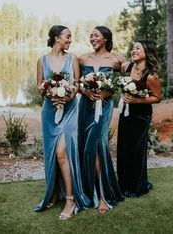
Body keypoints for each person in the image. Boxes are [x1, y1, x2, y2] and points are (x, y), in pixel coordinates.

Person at [34, 25, 90, 220]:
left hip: (70, 111)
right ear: (56, 38)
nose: (70, 40)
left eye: (70, 37)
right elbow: (39, 86)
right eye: (67, 36)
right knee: (52, 155)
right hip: (49, 113)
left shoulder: (72, 58)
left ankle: (70, 198)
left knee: (62, 153)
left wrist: (67, 97)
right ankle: (54, 193)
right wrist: (49, 91)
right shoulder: (42, 61)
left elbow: (77, 84)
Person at [78, 26, 124, 214]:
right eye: (91, 35)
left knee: (97, 145)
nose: (92, 38)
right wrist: (86, 91)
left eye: (96, 35)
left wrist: (110, 90)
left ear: (105, 38)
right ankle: (88, 191)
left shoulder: (115, 60)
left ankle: (104, 196)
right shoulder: (82, 58)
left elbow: (123, 82)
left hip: (104, 106)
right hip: (86, 107)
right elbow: (77, 83)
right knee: (87, 146)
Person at [117, 40, 161, 198]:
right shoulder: (126, 67)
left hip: (141, 115)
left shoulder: (151, 76)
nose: (134, 50)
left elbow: (157, 97)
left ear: (146, 52)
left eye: (138, 48)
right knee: (123, 147)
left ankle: (137, 186)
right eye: (133, 48)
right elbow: (115, 68)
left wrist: (138, 100)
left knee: (137, 149)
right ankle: (123, 185)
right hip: (125, 112)